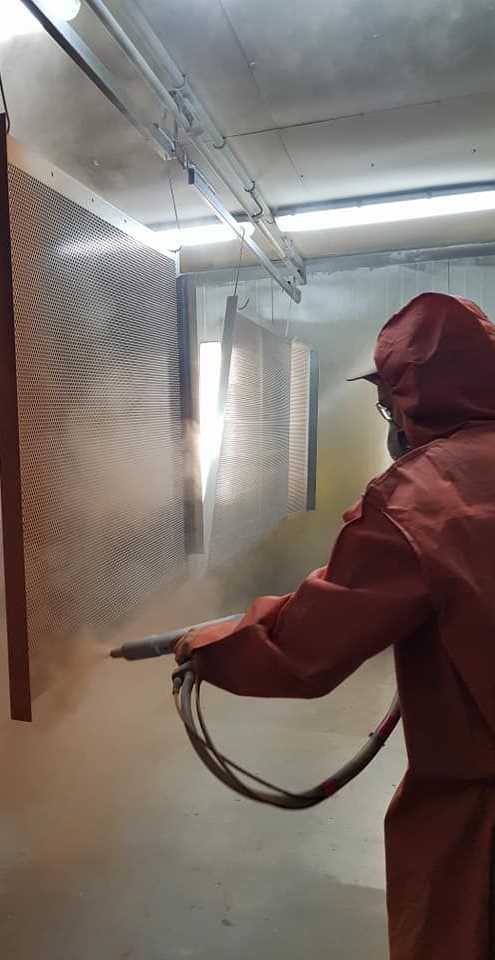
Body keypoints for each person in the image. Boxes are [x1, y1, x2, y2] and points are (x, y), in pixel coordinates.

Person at [175, 292, 495, 960]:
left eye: (391, 404)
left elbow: (299, 653)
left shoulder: (419, 499)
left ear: (419, 399)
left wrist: (210, 646)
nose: (391, 422)